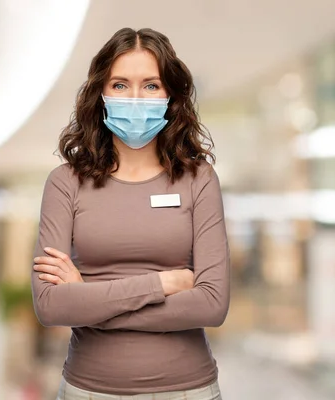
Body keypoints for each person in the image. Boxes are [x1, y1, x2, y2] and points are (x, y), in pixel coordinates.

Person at [31, 27, 230, 400]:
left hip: (188, 390)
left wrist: (89, 300)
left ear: (170, 95)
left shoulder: (198, 179)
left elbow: (212, 303)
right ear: (101, 94)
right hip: (88, 391)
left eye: (151, 85)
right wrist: (163, 285)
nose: (136, 98)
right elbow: (51, 305)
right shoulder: (65, 183)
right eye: (120, 85)